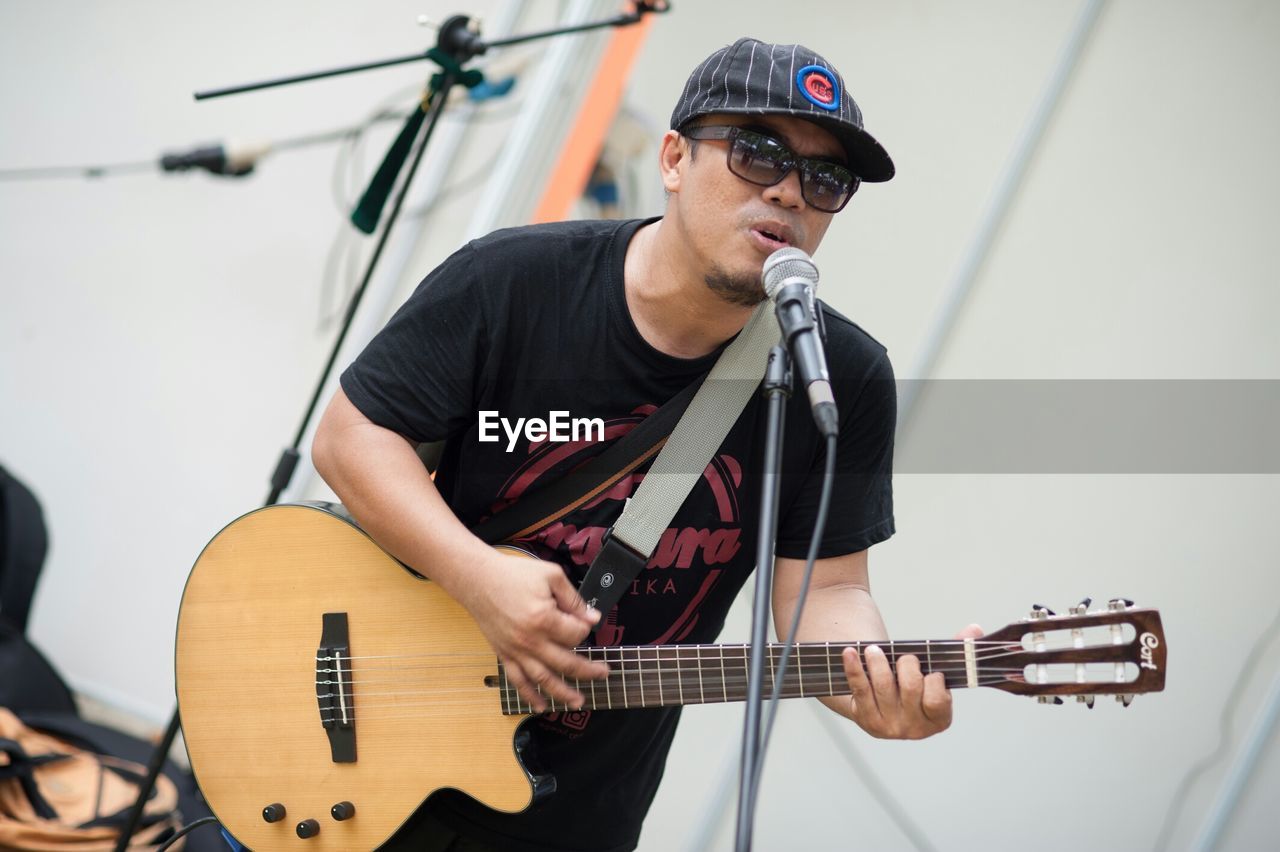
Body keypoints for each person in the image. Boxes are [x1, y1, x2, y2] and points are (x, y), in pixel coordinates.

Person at [312, 36, 981, 852]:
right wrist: (477, 577)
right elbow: (351, 439)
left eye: (825, 178)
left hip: (574, 813)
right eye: (757, 152)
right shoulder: (514, 283)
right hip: (373, 727)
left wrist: (874, 678)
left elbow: (831, 590)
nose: (788, 192)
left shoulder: (839, 379)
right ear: (672, 158)